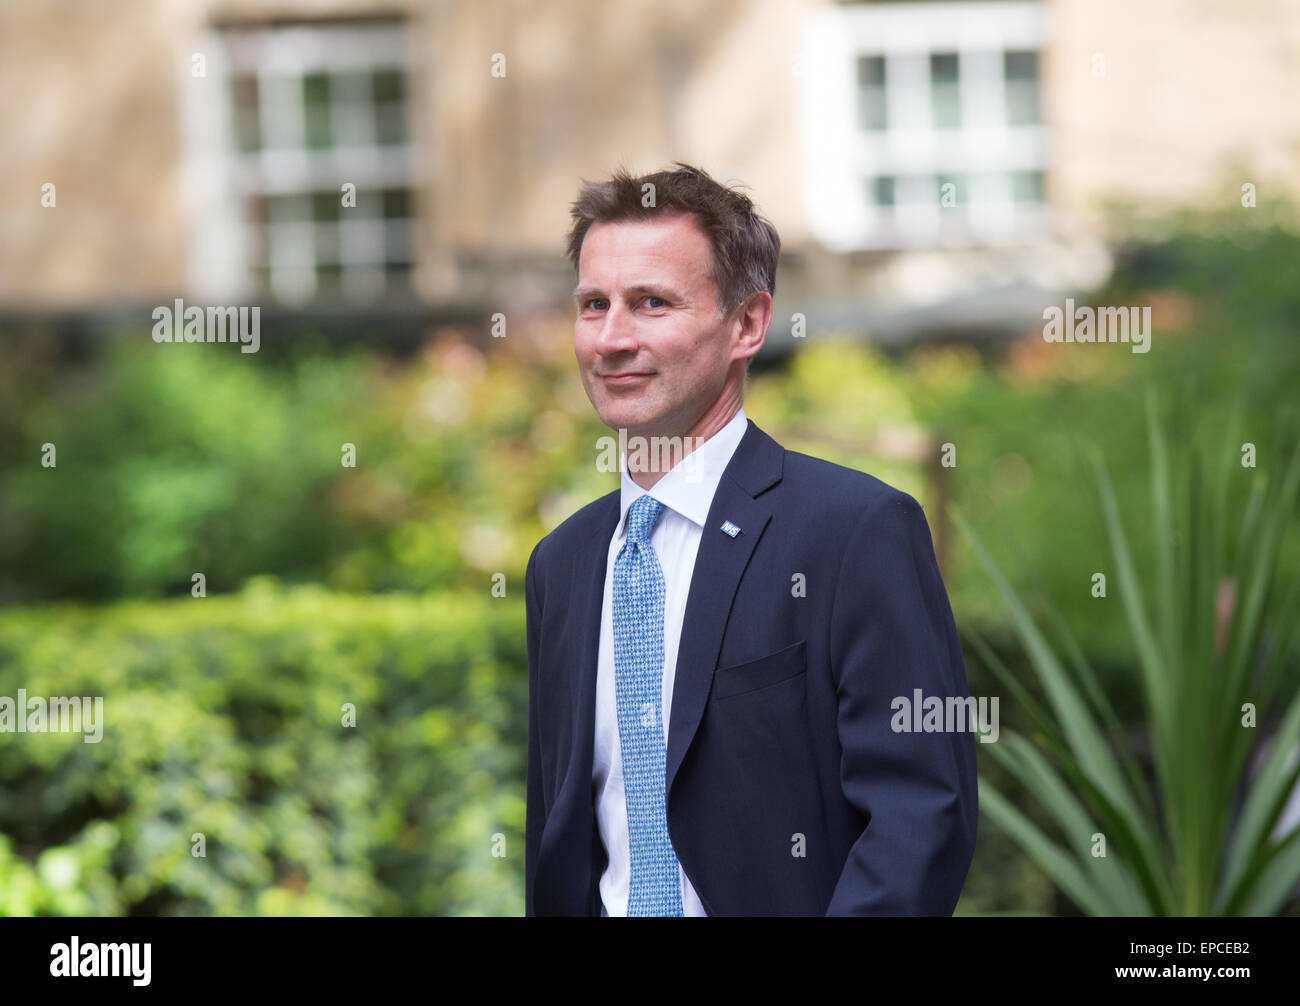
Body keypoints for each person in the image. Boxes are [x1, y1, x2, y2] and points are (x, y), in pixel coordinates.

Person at [524, 163, 978, 916]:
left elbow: (921, 817)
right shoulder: (562, 565)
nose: (611, 338)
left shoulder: (855, 532)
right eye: (593, 305)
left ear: (748, 324)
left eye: (651, 304)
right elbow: (561, 832)